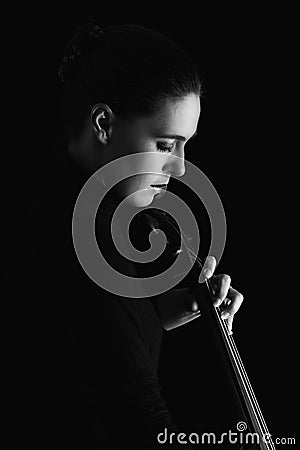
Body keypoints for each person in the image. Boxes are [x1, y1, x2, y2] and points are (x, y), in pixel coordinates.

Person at [3, 23, 244, 449]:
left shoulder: (76, 204)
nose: (181, 167)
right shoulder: (84, 235)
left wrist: (171, 311)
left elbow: (87, 340)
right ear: (103, 124)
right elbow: (139, 422)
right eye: (166, 144)